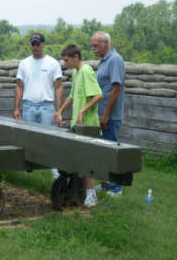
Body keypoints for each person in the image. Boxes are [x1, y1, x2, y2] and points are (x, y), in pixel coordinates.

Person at [53, 44, 103, 208]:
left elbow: (98, 95)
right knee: (77, 160)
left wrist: (82, 111)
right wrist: (60, 110)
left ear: (76, 57)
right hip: (78, 124)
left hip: (88, 124)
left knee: (86, 163)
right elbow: (72, 97)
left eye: (67, 60)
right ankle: (77, 191)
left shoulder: (87, 71)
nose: (65, 63)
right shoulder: (76, 73)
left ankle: (91, 195)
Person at [13, 33, 63, 178]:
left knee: (50, 139)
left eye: (38, 44)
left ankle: (54, 169)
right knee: (29, 139)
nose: (35, 47)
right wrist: (16, 108)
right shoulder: (24, 63)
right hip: (28, 105)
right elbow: (19, 86)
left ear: (43, 45)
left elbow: (59, 87)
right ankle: (29, 169)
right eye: (33, 44)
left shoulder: (52, 63)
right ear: (30, 45)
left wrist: (58, 110)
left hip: (46, 106)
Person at [90, 31, 125, 197]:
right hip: (102, 113)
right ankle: (106, 184)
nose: (92, 48)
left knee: (111, 151)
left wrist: (106, 115)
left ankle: (116, 188)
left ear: (105, 44)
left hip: (110, 115)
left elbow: (116, 89)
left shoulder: (115, 60)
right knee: (103, 150)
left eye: (95, 45)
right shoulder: (103, 62)